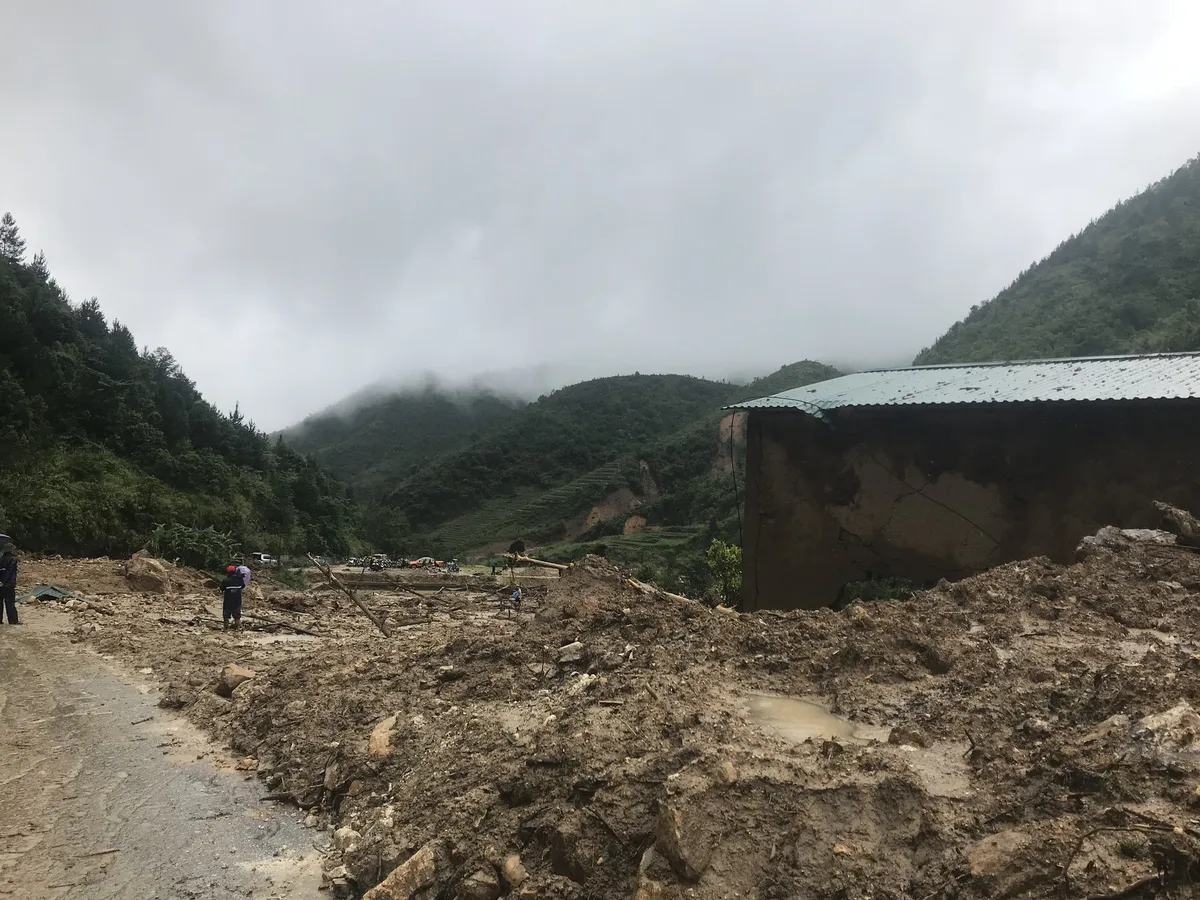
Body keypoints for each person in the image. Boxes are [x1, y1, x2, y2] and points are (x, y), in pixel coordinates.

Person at [221, 564, 245, 629]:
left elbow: (222, 588)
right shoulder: (240, 580)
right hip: (237, 601)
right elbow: (243, 586)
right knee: (237, 616)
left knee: (226, 615)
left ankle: (226, 627)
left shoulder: (226, 580)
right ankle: (238, 627)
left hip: (228, 601)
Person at [0, 539, 18, 625]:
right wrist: (4, 581)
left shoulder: (1, 559)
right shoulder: (13, 559)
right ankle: (13, 621)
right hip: (8, 584)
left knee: (0, 603)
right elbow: (9, 571)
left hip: (0, 584)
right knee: (10, 603)